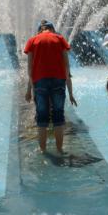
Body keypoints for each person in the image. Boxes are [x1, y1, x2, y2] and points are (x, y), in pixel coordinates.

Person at [24, 20, 77, 153]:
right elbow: (67, 67)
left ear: (40, 30)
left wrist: (29, 90)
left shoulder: (32, 41)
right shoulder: (60, 39)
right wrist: (70, 93)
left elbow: (29, 69)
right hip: (58, 81)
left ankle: (43, 151)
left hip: (39, 82)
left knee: (42, 117)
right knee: (58, 117)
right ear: (52, 29)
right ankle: (60, 150)